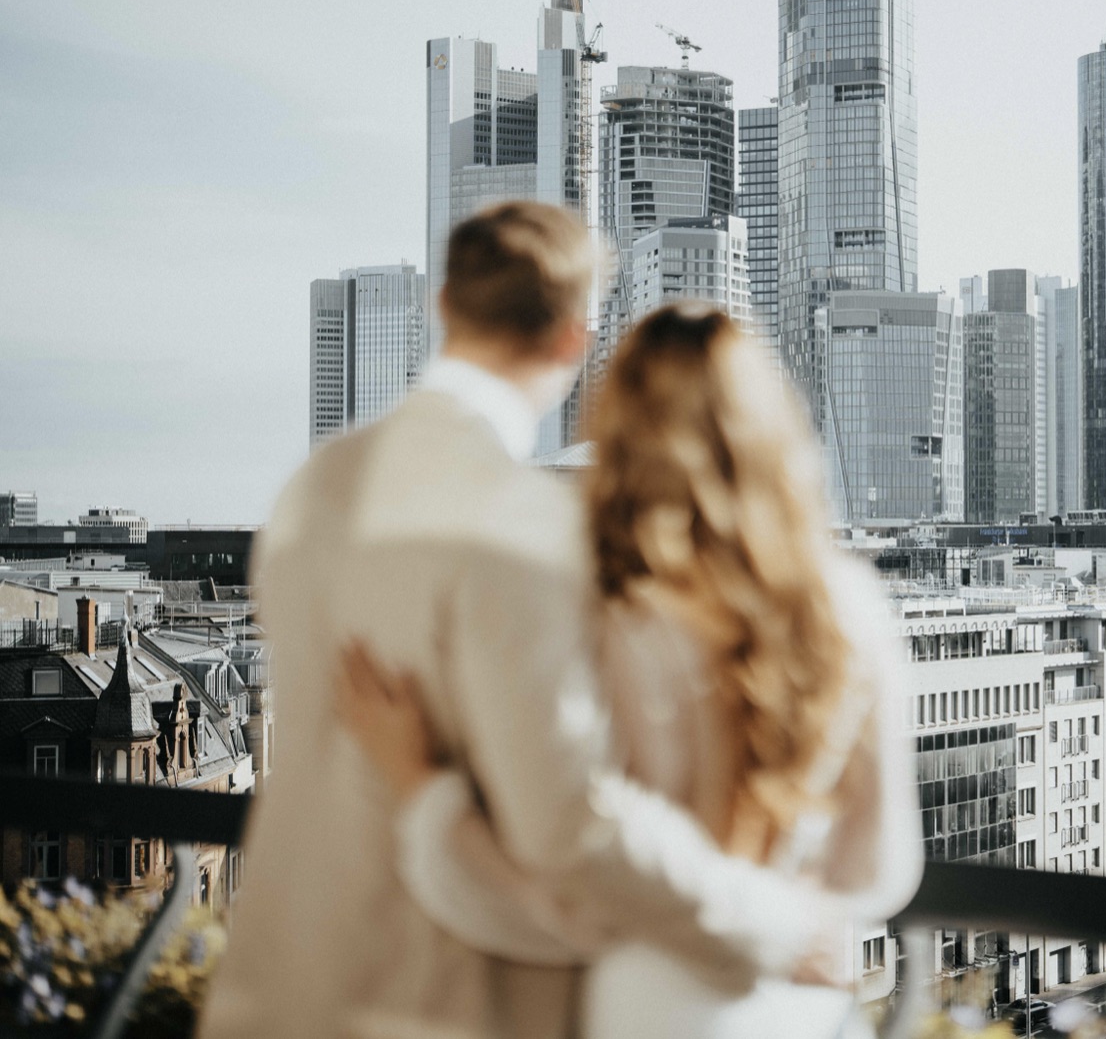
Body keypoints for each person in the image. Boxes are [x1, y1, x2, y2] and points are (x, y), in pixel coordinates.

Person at [200, 203, 886, 1039]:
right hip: (433, 1000)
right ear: (573, 340)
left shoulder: (310, 489)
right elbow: (569, 828)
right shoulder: (526, 524)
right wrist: (773, 926)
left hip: (276, 986)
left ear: (444, 305)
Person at [332, 302, 923, 1038]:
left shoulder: (600, 617)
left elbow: (563, 886)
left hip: (654, 1007)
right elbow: (878, 870)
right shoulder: (847, 605)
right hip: (808, 1006)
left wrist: (421, 791)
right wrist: (791, 914)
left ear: (616, 433)